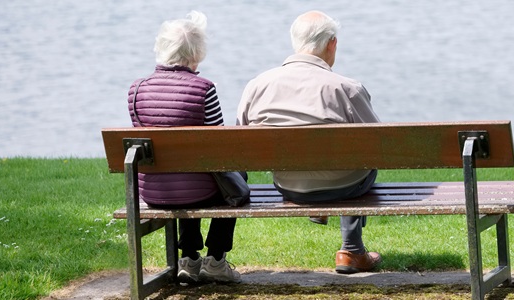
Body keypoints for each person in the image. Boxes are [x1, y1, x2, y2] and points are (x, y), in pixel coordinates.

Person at [236, 10, 381, 274]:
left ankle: (322, 214)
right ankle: (351, 250)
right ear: (332, 44)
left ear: (295, 41)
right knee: (361, 161)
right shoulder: (346, 88)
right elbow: (378, 144)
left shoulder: (257, 86)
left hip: (289, 185)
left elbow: (240, 141)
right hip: (344, 186)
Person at [127, 11, 241, 284]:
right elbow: (218, 147)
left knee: (187, 170)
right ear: (197, 52)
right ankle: (215, 259)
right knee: (230, 178)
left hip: (154, 191)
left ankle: (189, 260)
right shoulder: (204, 89)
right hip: (199, 191)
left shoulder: (136, 90)